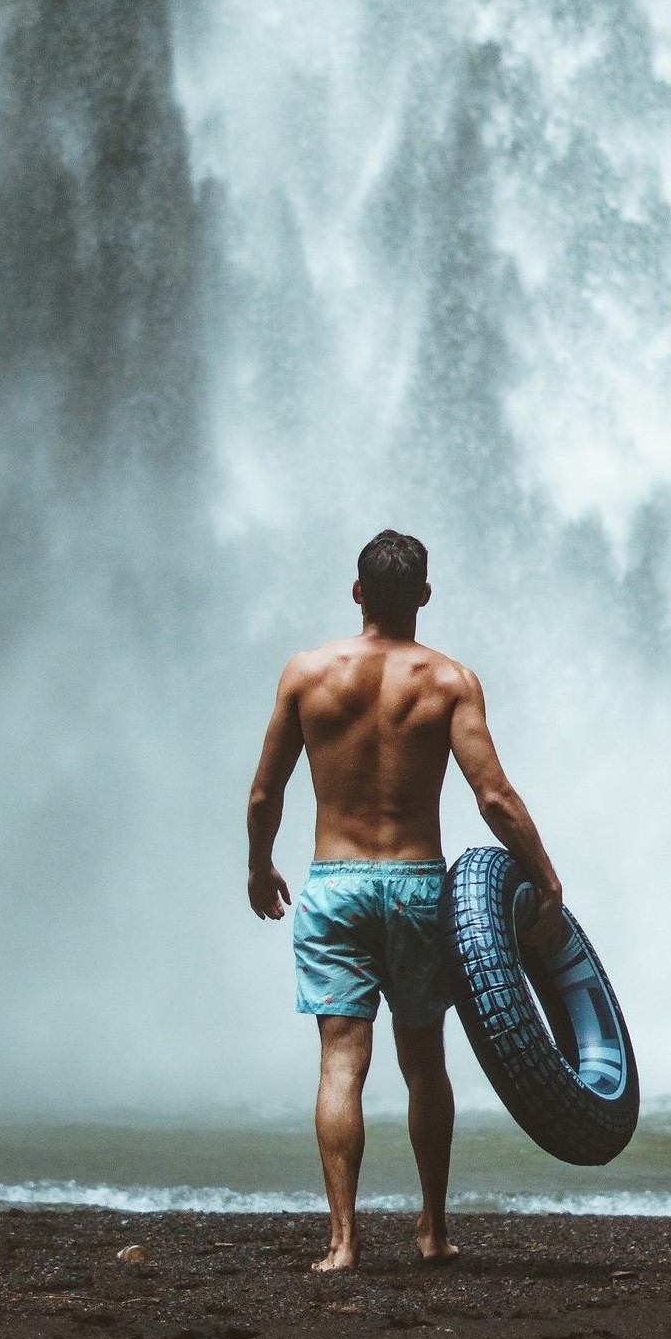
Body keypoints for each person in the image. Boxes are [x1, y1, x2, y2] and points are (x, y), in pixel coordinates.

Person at [246, 529, 565, 1273]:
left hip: (335, 884)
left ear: (357, 593)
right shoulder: (450, 680)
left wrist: (261, 866)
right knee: (425, 1063)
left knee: (339, 1064)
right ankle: (432, 1228)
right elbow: (493, 795)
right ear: (424, 594)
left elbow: (267, 790)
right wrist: (545, 879)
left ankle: (343, 1241)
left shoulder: (306, 672)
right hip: (421, 885)